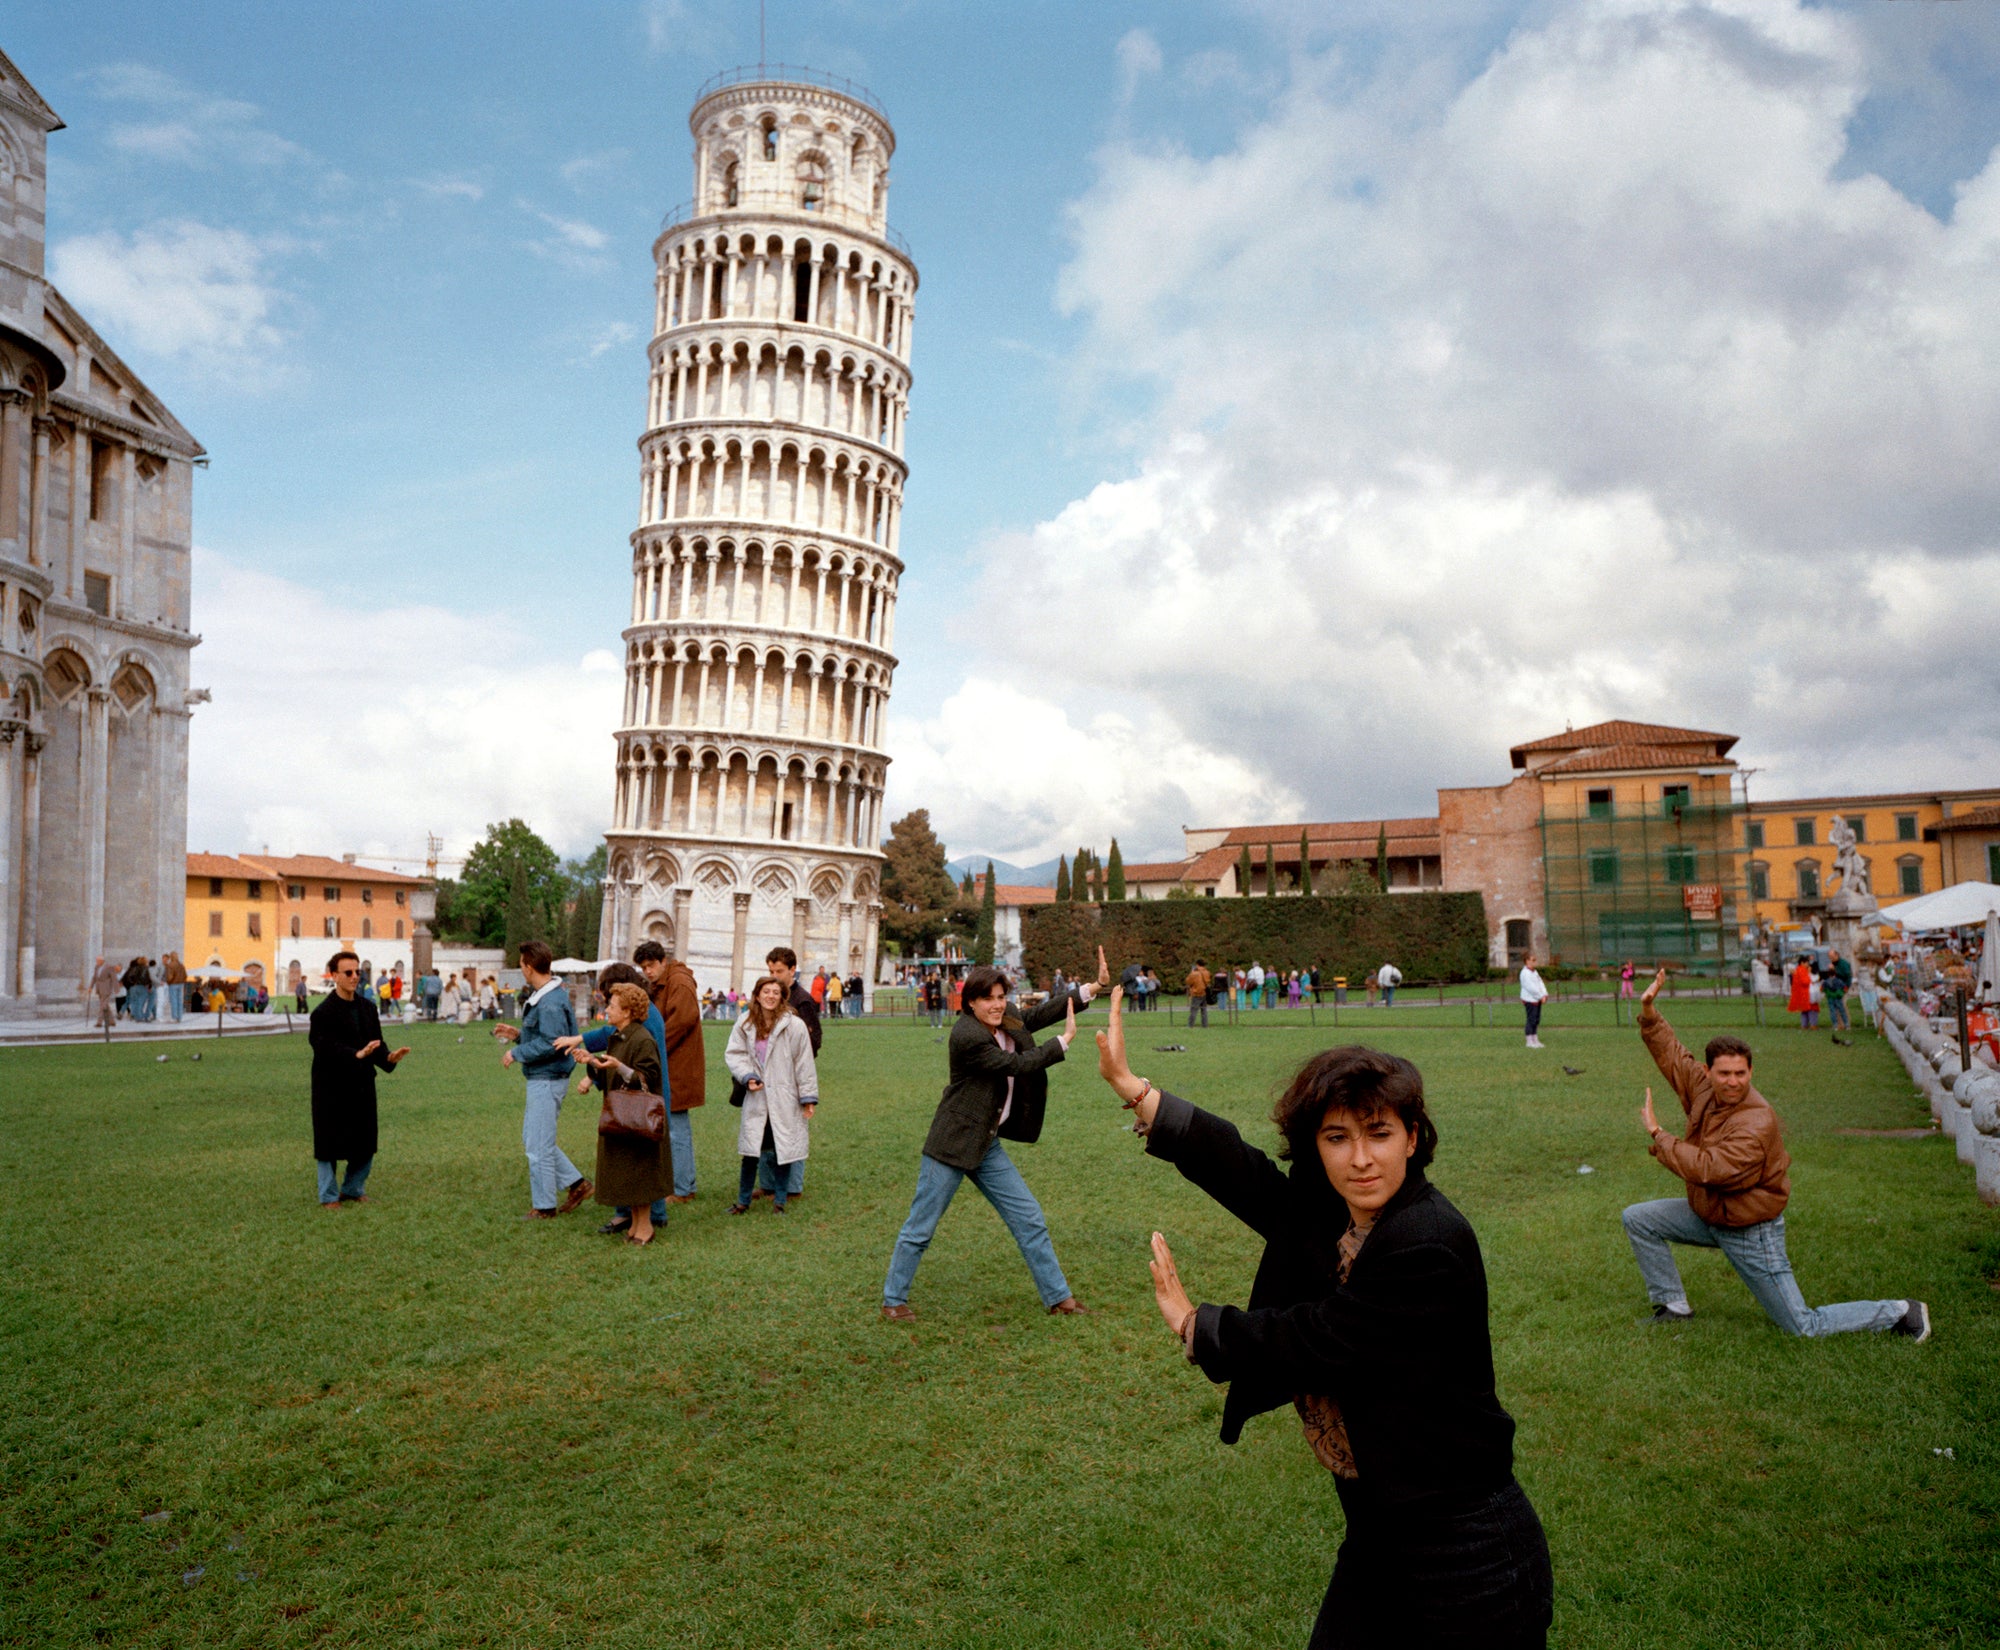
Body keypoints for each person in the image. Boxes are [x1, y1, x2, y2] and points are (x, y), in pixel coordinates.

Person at [1091, 988, 1552, 1649]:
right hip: (1379, 1537)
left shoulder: (1428, 1240)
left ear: (1412, 1137)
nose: (1360, 1158)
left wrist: (1200, 1328)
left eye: (1379, 1133)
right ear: (1317, 1146)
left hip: (1466, 1554)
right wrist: (1138, 1091)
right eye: (1338, 1137)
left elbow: (1320, 1341)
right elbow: (1247, 1174)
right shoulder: (1345, 1218)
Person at [1621, 967, 1930, 1340]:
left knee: (1803, 1326)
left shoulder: (1757, 1120)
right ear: (1709, 1072)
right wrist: (1650, 1013)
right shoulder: (1704, 1088)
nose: (1732, 1081)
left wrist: (1658, 1132)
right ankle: (1673, 1306)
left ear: (1751, 1072)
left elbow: (1711, 1169)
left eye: (1740, 1073)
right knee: (1639, 1219)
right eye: (1724, 1074)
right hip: (1710, 1214)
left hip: (1751, 1232)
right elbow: (1674, 1056)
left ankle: (1901, 1312)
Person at [881, 947, 1110, 1320]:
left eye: (1002, 997)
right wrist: (1064, 1041)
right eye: (988, 998)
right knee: (920, 1227)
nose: (997, 1005)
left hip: (986, 1143)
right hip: (952, 1144)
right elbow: (1016, 1064)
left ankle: (1059, 1299)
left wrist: (1090, 989)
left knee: (1029, 1218)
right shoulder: (967, 1037)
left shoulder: (1006, 1017)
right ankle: (893, 1301)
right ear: (971, 1002)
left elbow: (1036, 1015)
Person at [561, 963, 673, 1234]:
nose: (606, 1008)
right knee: (628, 1164)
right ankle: (633, 1219)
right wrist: (592, 1064)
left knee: (642, 1166)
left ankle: (647, 1221)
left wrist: (610, 1065)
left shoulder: (643, 1033)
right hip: (625, 1107)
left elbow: (644, 1073)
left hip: (640, 1109)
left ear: (626, 1008)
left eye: (610, 1003)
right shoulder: (624, 1031)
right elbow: (615, 1058)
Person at [494, 941, 592, 1220]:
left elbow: (552, 1043)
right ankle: (577, 1185)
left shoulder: (548, 1001)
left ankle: (545, 1206)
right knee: (536, 1140)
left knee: (538, 1145)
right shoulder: (550, 995)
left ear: (528, 967)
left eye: (522, 964)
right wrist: (518, 1035)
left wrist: (517, 1051)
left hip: (547, 1079)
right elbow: (548, 1037)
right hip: (547, 1077)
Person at [308, 951, 409, 1208]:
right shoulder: (322, 1013)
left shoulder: (367, 1008)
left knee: (364, 1140)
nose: (355, 977)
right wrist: (355, 1053)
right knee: (329, 1143)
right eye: (349, 973)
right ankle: (329, 1195)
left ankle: (353, 1188)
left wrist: (389, 1058)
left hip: (362, 1084)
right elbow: (322, 1046)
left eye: (358, 972)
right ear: (334, 976)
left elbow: (377, 1045)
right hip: (331, 1085)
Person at [725, 975, 819, 1214]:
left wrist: (808, 1097)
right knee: (751, 1150)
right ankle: (743, 1201)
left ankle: (780, 1201)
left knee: (782, 1147)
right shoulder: (745, 1023)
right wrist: (747, 1075)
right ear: (757, 995)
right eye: (766, 991)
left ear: (782, 997)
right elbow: (735, 1053)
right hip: (757, 1095)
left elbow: (804, 1062)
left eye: (776, 992)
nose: (770, 996)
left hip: (784, 1094)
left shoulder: (794, 1025)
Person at [635, 940, 704, 1203]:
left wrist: (653, 1048)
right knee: (673, 1127)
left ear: (663, 961)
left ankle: (683, 1189)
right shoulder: (665, 982)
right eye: (643, 968)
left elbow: (683, 1020)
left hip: (678, 1066)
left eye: (651, 966)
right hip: (671, 1063)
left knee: (677, 1128)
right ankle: (682, 1184)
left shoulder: (680, 982)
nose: (648, 972)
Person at [759, 947, 822, 1202]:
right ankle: (768, 1183)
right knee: (765, 1128)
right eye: (771, 971)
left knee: (791, 1130)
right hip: (767, 1078)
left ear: (792, 970)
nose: (774, 975)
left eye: (779, 971)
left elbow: (811, 1042)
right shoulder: (769, 997)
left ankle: (793, 1186)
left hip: (792, 1079)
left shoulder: (802, 1000)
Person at [1519, 957, 1549, 1049]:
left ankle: (1535, 1039)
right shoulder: (1525, 973)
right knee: (1531, 1019)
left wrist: (1544, 994)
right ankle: (1529, 1041)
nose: (1535, 962)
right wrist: (1540, 996)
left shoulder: (1534, 972)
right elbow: (1530, 987)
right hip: (1530, 999)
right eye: (1533, 960)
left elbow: (1540, 983)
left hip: (1537, 999)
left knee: (1536, 1019)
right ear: (1527, 961)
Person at [1822, 949, 1852, 1034]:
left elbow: (1847, 975)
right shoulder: (1833, 964)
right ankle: (1839, 1024)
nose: (1831, 959)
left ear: (1836, 955)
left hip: (1842, 988)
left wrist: (1845, 988)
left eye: (1832, 957)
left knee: (1842, 1006)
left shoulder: (1843, 964)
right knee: (1834, 1008)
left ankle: (1846, 1023)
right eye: (1829, 957)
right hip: (1833, 990)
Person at [1788, 956, 1815, 1030]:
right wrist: (1809, 975)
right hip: (1804, 993)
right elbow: (1805, 982)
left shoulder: (1797, 970)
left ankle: (1804, 1025)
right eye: (1807, 963)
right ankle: (1812, 1024)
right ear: (1802, 963)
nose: (1808, 965)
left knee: (1804, 1010)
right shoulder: (1802, 970)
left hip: (1800, 993)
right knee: (1810, 1009)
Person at [1185, 961, 1212, 1029]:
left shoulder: (1194, 973)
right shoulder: (1207, 972)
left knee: (1194, 1010)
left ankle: (1190, 1025)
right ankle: (1205, 1025)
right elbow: (1208, 981)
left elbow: (1188, 981)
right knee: (1204, 1010)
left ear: (1197, 964)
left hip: (1196, 993)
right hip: (1204, 993)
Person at [163, 952, 187, 1021]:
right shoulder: (181, 965)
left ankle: (174, 1016)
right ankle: (179, 1017)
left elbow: (169, 977)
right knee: (180, 1000)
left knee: (173, 1001)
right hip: (181, 984)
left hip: (173, 984)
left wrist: (168, 982)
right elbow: (185, 975)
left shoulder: (170, 965)